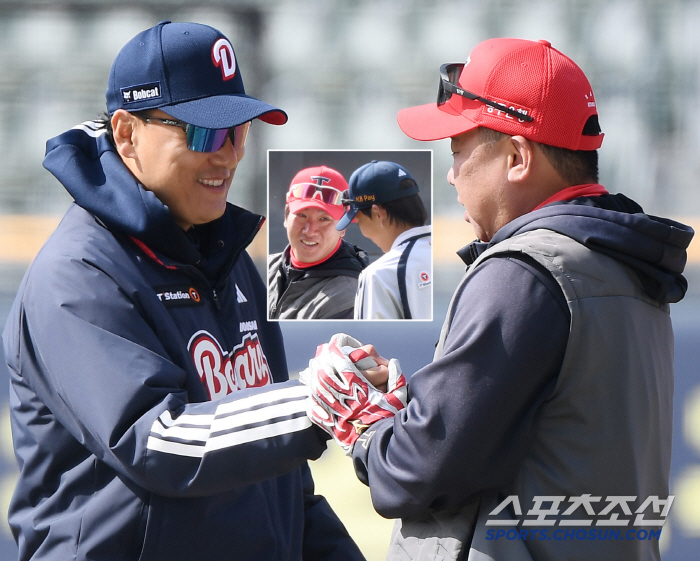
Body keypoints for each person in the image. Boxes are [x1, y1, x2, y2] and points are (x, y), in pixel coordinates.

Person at [303, 38, 694, 560]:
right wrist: (414, 412)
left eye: (460, 151)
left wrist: (369, 429)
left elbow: (416, 472)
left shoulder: (524, 271)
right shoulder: (624, 263)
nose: (451, 173)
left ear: (516, 156)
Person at [2, 21, 366, 561]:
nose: (227, 155)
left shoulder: (230, 259)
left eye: (239, 132)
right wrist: (312, 403)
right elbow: (159, 443)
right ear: (127, 134)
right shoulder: (78, 272)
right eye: (204, 133)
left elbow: (281, 486)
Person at [268, 165, 369, 319]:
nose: (309, 230)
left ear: (343, 226)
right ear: (286, 216)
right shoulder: (263, 269)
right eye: (302, 215)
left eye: (324, 219)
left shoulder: (348, 297)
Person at [337, 160, 432, 320]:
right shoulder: (453, 253)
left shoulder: (378, 274)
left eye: (358, 220)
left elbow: (373, 337)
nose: (359, 226)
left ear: (377, 213)